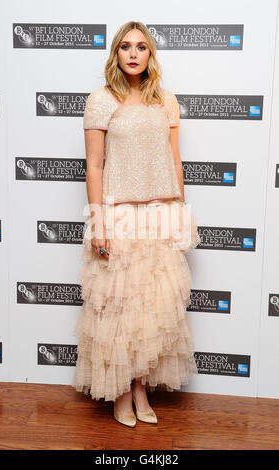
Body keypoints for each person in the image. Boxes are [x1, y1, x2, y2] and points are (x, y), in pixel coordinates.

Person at [72, 21, 201, 428]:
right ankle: (122, 393)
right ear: (115, 54)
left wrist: (179, 211)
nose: (133, 54)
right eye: (125, 47)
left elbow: (175, 161)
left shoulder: (166, 100)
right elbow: (94, 166)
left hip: (160, 215)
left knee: (153, 310)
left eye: (141, 47)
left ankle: (142, 388)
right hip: (120, 215)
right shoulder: (101, 100)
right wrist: (98, 221)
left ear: (150, 55)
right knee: (120, 311)